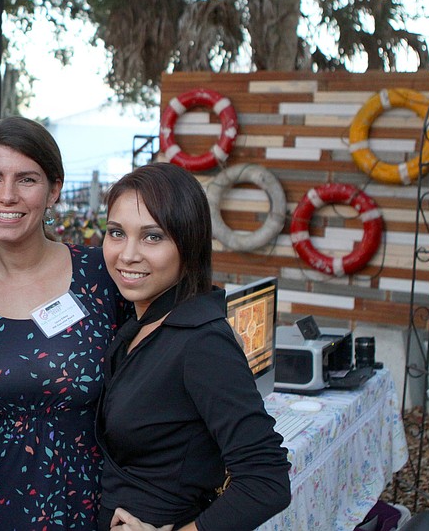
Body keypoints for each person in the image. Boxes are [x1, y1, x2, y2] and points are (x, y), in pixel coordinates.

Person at [0, 117, 127, 529]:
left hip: (91, 509)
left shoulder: (101, 275)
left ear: (54, 190)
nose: (7, 195)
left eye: (26, 180)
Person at [97, 162, 291, 531]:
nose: (128, 254)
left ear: (188, 243)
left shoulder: (202, 342)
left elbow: (267, 480)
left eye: (152, 236)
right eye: (116, 233)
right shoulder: (146, 319)